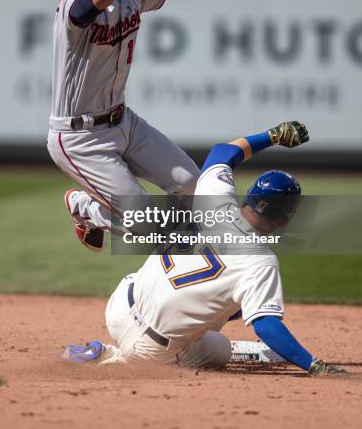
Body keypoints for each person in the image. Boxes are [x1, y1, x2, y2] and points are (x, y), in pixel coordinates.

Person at [62, 121, 346, 377]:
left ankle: (90, 212)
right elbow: (266, 326)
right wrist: (314, 365)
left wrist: (271, 136)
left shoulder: (213, 198)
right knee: (218, 347)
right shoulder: (260, 261)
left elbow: (224, 152)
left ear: (251, 197)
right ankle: (108, 358)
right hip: (148, 347)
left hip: (119, 306)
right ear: (284, 221)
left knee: (209, 290)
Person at [47, 0, 229, 252]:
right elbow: (86, 11)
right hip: (79, 138)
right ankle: (85, 207)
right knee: (146, 225)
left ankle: (105, 214)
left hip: (123, 121)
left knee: (193, 185)